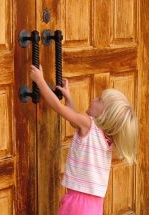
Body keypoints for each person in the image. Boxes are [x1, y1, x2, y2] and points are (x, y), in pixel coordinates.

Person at [29, 65, 138, 215]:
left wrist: (40, 81)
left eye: (99, 99)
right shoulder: (107, 137)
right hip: (94, 205)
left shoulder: (88, 124)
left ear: (104, 114)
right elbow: (74, 121)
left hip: (78, 203)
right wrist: (69, 98)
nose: (94, 99)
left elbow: (59, 109)